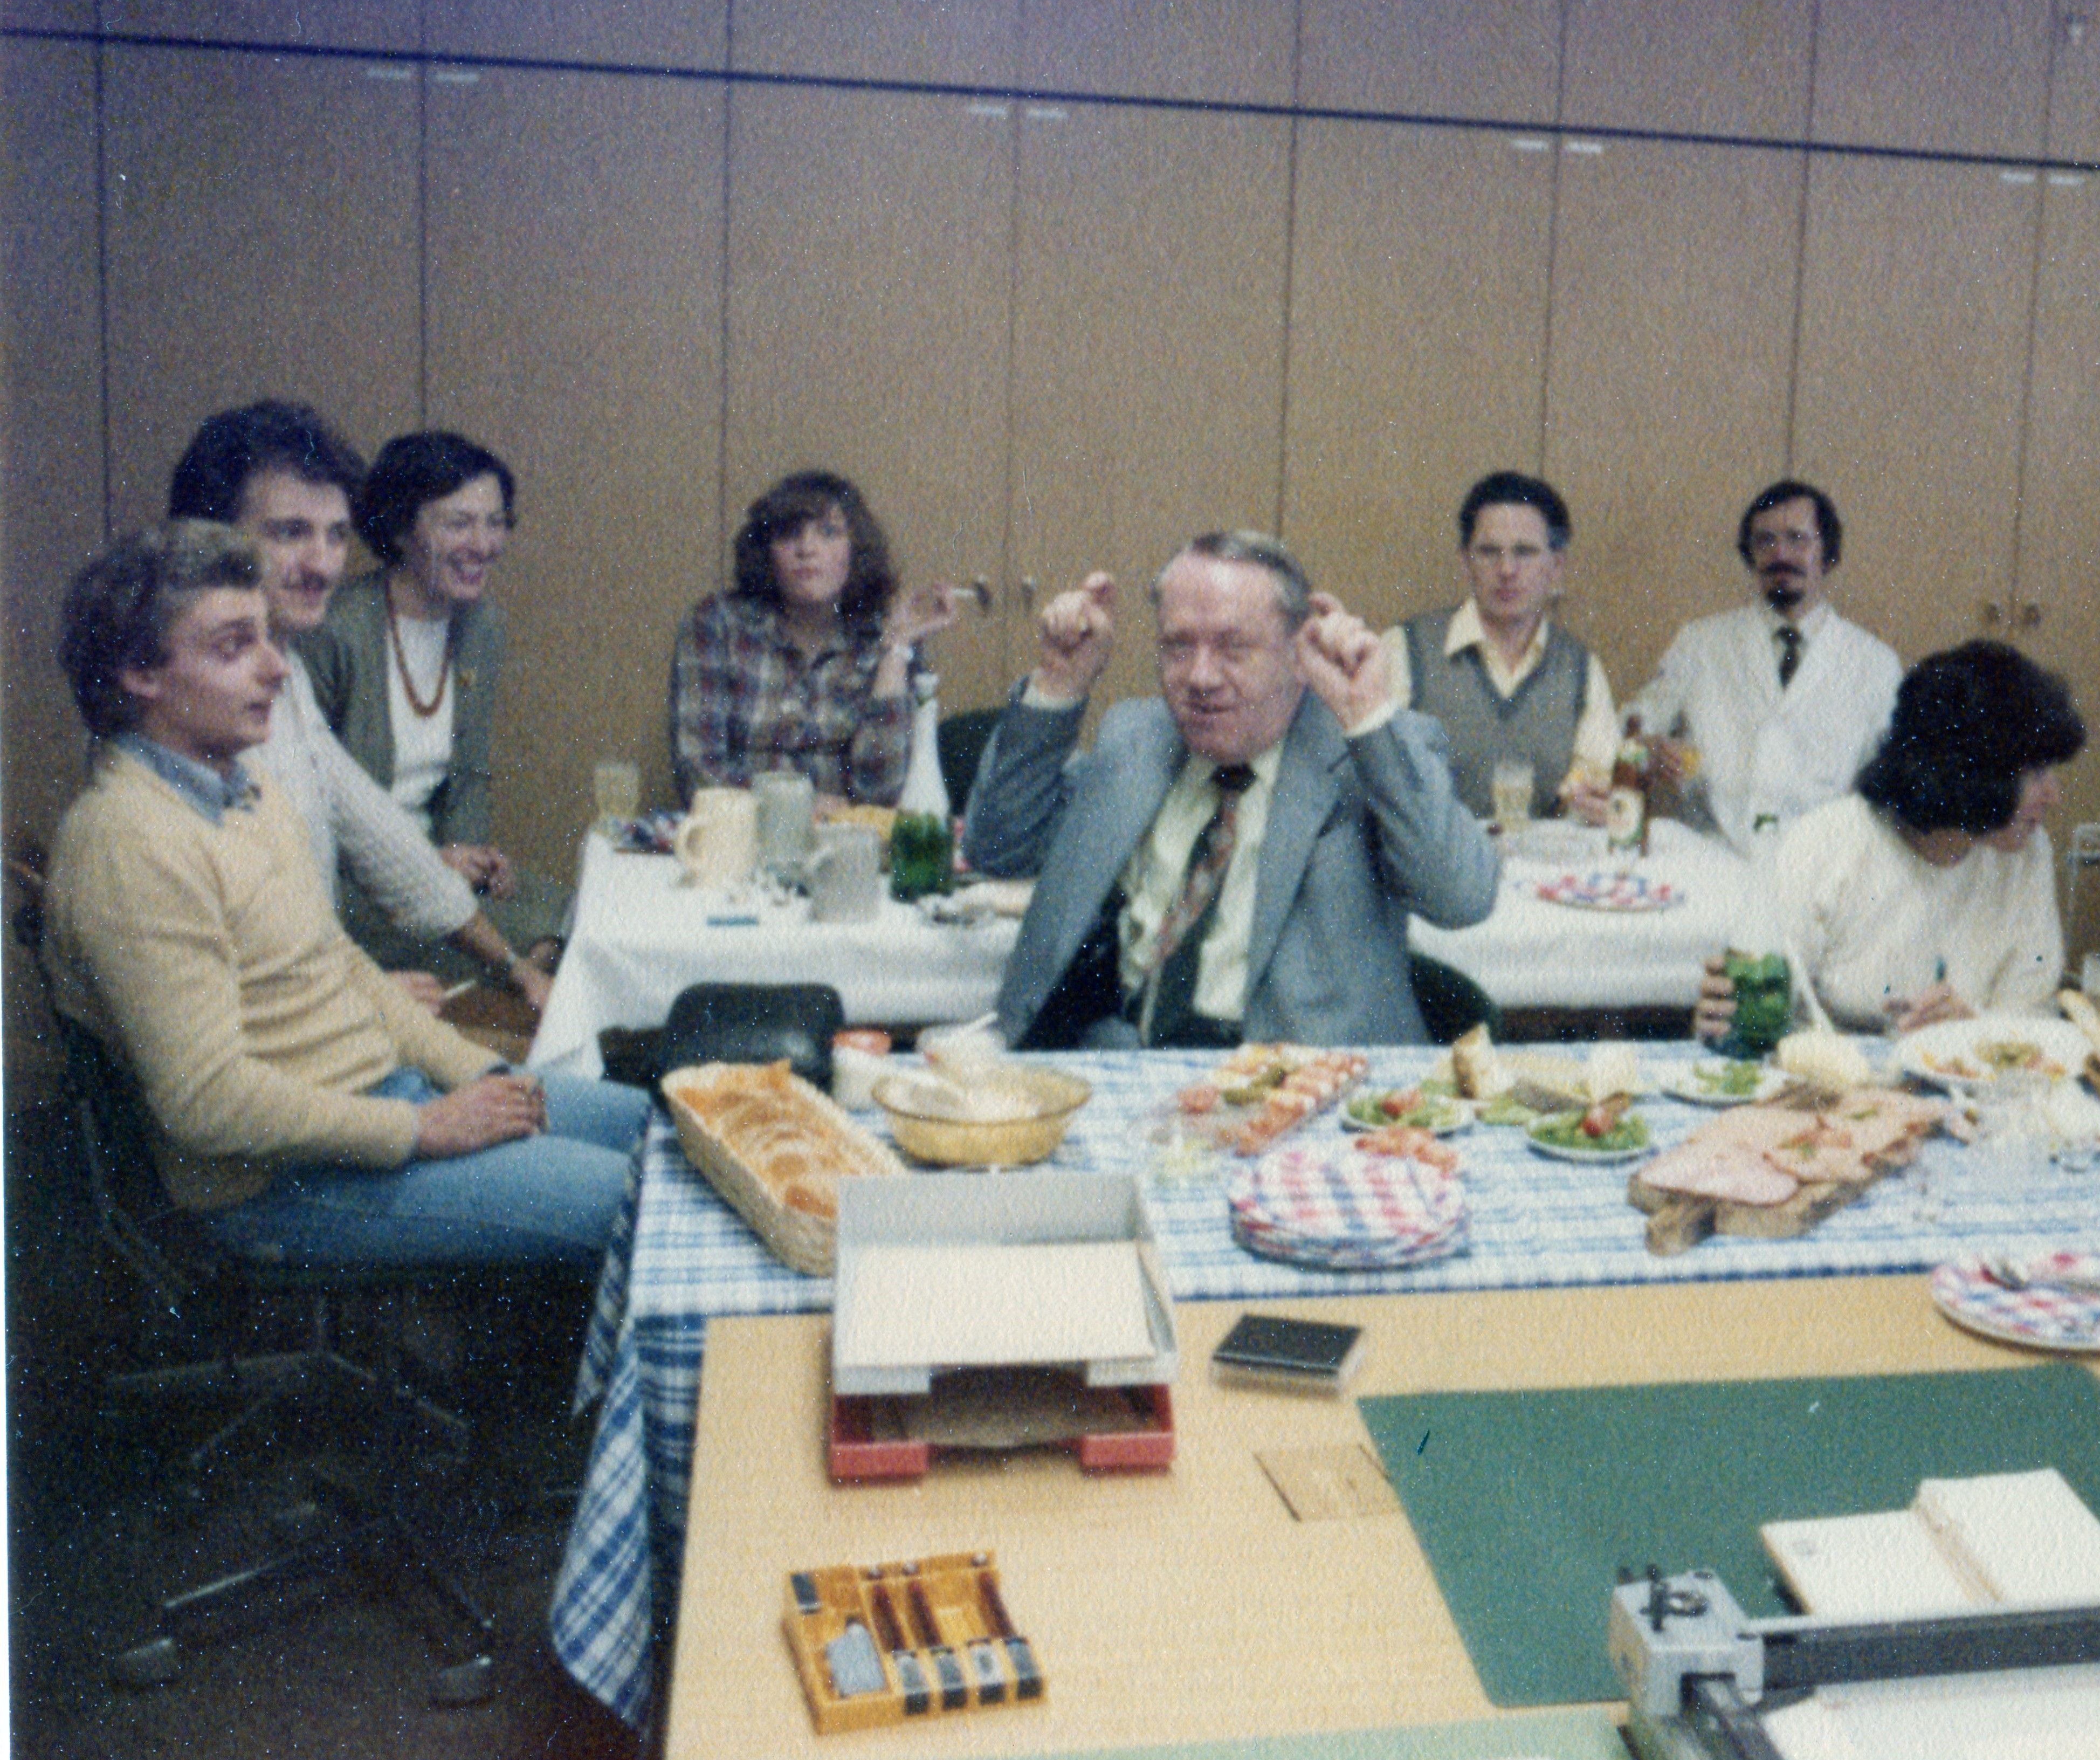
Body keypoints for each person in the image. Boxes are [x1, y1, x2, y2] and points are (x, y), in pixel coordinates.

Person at [41, 524, 648, 1267]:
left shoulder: (244, 786)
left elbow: (341, 965)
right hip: (279, 1184)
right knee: (646, 1203)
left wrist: (479, 1075)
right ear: (141, 673)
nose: (277, 668)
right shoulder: (128, 843)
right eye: (235, 646)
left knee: (670, 1136)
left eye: (269, 638)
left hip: (381, 1105)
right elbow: (206, 1103)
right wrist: (424, 1130)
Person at [962, 532, 1498, 1049]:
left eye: (1233, 647)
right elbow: (998, 848)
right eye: (1178, 646)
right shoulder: (1135, 738)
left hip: (1294, 1081)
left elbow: (1461, 898)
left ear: (1298, 651)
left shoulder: (1367, 754)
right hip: (1120, 1056)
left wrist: (1366, 717)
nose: (1200, 677)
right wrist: (1059, 682)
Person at [165, 400, 553, 1016]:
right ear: (205, 541)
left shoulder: (281, 676)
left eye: (336, 535)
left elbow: (378, 836)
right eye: (290, 532)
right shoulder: (183, 704)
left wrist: (508, 964)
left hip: (324, 1008)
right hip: (295, 1042)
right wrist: (355, 993)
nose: (322, 565)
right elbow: (209, 984)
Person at [1694, 643, 2085, 1039]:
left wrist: (1970, 1032)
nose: (2054, 796)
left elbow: (2033, 1021)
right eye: (2036, 772)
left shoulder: (2027, 856)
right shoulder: (1826, 843)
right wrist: (1727, 1018)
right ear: (1974, 771)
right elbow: (1752, 1014)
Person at [293, 429, 567, 969]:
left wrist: (473, 860)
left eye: (495, 522)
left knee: (578, 914)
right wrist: (430, 863)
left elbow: (469, 775)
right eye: (459, 523)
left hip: (437, 871)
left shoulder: (481, 625)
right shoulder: (338, 630)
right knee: (537, 947)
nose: (483, 545)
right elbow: (308, 806)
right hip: (355, 881)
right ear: (401, 529)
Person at [1629, 479, 1903, 850]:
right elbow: (1632, 728)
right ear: (1750, 556)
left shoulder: (1876, 665)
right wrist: (1648, 750)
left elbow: (1891, 789)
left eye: (1797, 539)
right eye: (1765, 541)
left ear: (1828, 553)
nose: (1780, 554)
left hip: (1823, 864)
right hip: (1712, 854)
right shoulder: (1700, 643)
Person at [669, 470, 968, 804]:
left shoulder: (884, 634)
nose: (807, 549)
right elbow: (699, 775)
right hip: (743, 831)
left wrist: (895, 652)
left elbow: (882, 793)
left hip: (850, 834)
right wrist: (802, 806)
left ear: (856, 549)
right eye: (789, 534)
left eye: (828, 533)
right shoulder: (716, 623)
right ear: (767, 552)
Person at [1386, 472, 1617, 825]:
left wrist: (1596, 807)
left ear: (1556, 567)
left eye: (1525, 552)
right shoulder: (1405, 649)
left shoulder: (1581, 669)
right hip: (1427, 858)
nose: (1507, 570)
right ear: (1466, 562)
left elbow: (1591, 796)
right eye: (1489, 552)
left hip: (1544, 858)